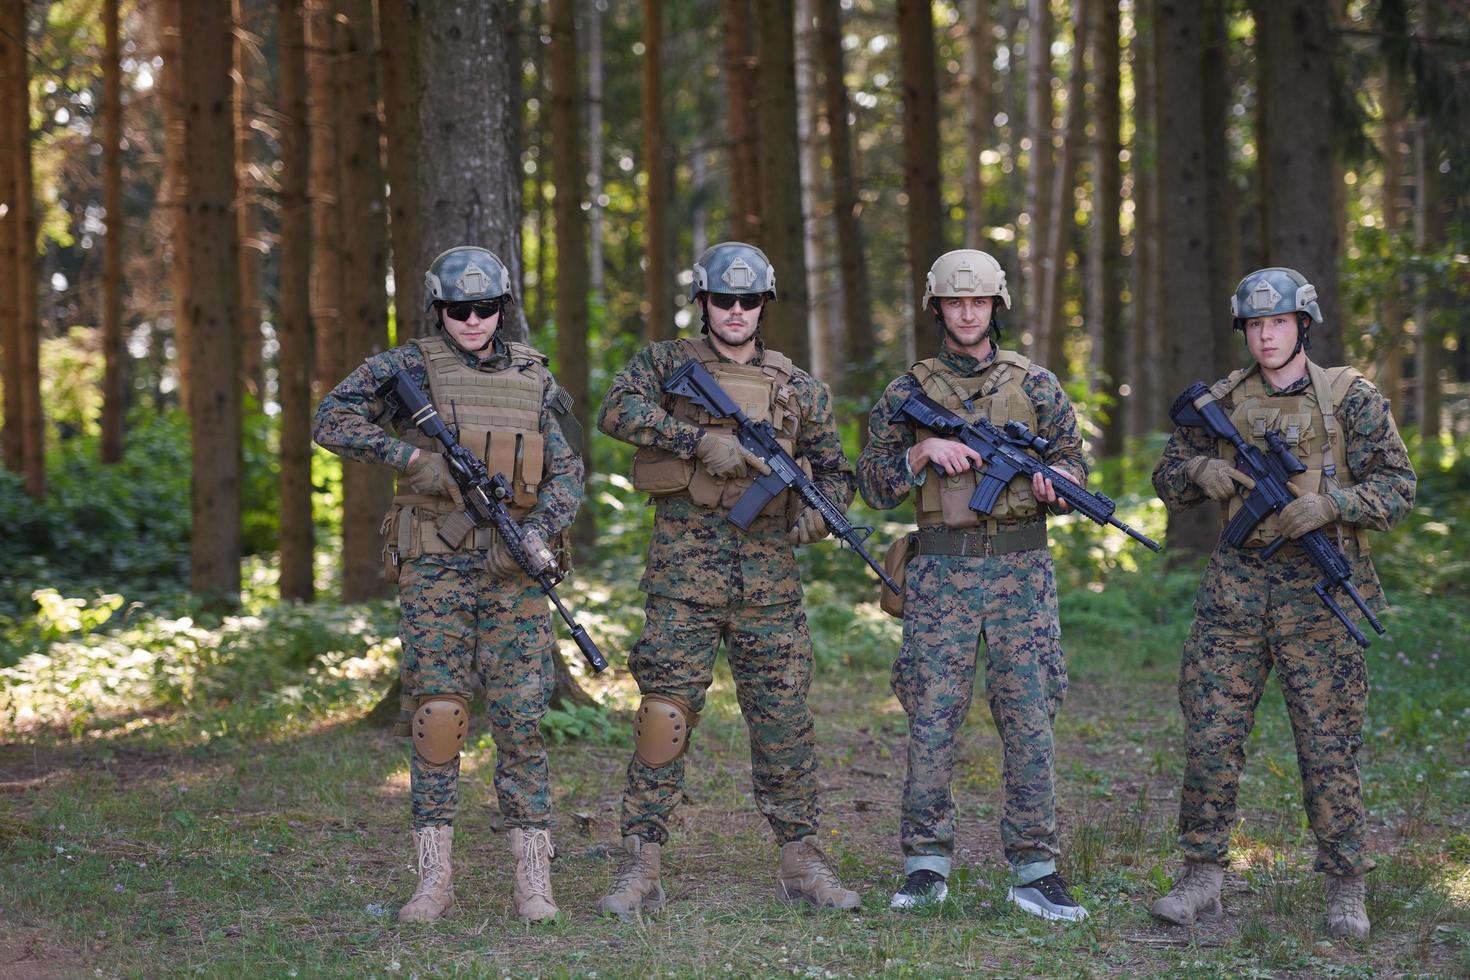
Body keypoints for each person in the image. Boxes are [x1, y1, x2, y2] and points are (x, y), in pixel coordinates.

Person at [313, 245, 586, 924]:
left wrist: (537, 534)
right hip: (436, 563)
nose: (471, 319)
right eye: (458, 309)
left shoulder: (535, 376)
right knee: (438, 717)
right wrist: (410, 457)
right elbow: (331, 420)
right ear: (439, 310)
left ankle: (533, 879)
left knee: (521, 718)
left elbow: (569, 470)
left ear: (502, 309)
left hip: (514, 567)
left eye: (484, 308)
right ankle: (433, 880)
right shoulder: (405, 368)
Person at [594, 241, 861, 921]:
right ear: (704, 302)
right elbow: (615, 410)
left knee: (785, 724)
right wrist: (696, 441)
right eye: (723, 299)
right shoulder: (667, 364)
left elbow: (835, 472)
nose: (735, 312)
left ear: (763, 305)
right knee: (664, 717)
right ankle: (642, 864)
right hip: (683, 578)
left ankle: (801, 861)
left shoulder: (798, 386)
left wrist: (818, 517)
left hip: (769, 584)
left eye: (748, 301)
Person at [1149, 267, 1416, 939]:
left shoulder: (1349, 397)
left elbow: (1399, 487)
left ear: (1303, 324)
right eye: (1256, 325)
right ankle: (1203, 876)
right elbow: (1166, 474)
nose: (1266, 336)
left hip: (1320, 594)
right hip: (1235, 589)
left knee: (1329, 745)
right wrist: (1197, 470)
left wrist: (1333, 504)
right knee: (1211, 732)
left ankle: (1345, 885)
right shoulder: (1222, 400)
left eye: (1279, 323)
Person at [855, 249, 1090, 921]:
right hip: (940, 571)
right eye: (955, 302)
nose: (966, 312)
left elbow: (1072, 462)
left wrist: (1059, 485)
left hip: (1022, 573)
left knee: (1030, 718)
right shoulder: (908, 391)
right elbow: (870, 482)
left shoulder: (1037, 384)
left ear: (996, 307)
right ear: (937, 307)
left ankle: (1035, 870)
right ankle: (925, 865)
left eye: (978, 301)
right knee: (931, 717)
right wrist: (919, 452)